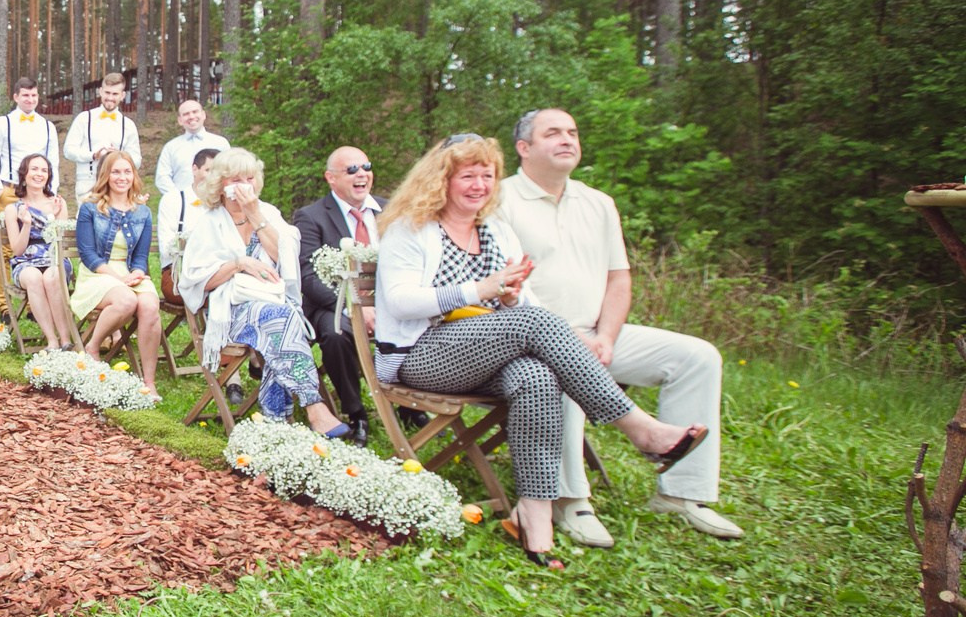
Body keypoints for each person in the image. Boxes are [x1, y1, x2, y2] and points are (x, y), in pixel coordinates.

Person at [373, 134, 708, 569]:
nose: (479, 185)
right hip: (423, 355)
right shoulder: (411, 228)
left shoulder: (496, 230)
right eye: (467, 176)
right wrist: (481, 289)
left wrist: (509, 297)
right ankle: (640, 429)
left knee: (536, 376)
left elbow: (525, 304)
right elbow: (401, 302)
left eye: (487, 176)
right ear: (441, 180)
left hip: (489, 349)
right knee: (534, 326)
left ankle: (534, 511)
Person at [494, 107, 739, 545]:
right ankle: (569, 500)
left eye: (572, 132)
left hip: (599, 332)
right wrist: (571, 339)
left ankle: (683, 493)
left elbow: (618, 279)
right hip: (528, 337)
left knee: (697, 356)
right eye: (553, 133)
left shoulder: (598, 203)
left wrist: (606, 336)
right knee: (559, 366)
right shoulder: (500, 200)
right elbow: (503, 284)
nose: (567, 139)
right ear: (524, 148)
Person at [180, 149, 349, 437]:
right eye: (236, 179)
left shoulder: (268, 214)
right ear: (221, 184)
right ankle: (313, 406)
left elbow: (284, 260)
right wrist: (239, 264)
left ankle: (276, 423)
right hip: (229, 310)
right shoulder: (209, 222)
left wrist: (255, 215)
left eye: (250, 178)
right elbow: (197, 281)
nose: (244, 185)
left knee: (279, 321)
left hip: (274, 305)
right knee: (282, 319)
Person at [293, 146, 387, 445]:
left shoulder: (390, 211)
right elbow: (308, 276)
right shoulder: (311, 216)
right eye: (352, 170)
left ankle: (410, 407)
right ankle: (356, 412)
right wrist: (354, 307)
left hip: (389, 302)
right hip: (331, 304)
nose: (362, 174)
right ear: (330, 178)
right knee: (336, 334)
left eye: (366, 167)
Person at [69, 149, 161, 394]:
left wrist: (137, 273)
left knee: (150, 307)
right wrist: (119, 278)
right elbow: (88, 255)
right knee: (126, 300)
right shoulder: (90, 208)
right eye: (116, 172)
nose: (122, 177)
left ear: (134, 175)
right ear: (105, 176)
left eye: (127, 172)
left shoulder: (143, 212)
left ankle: (149, 382)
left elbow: (140, 257)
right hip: (99, 273)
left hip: (129, 272)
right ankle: (92, 346)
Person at [2, 152, 78, 351]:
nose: (39, 174)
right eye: (34, 169)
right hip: (25, 261)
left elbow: (60, 243)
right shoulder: (13, 209)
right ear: (24, 174)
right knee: (34, 278)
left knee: (52, 277)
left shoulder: (58, 203)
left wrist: (53, 217)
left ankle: (65, 340)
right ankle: (51, 340)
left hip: (54, 257)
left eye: (44, 170)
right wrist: (26, 224)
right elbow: (17, 250)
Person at [64, 70, 141, 199]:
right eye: (107, 93)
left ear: (122, 95)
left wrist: (119, 156)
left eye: (115, 94)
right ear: (100, 91)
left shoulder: (128, 125)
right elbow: (68, 151)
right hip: (88, 184)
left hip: (117, 186)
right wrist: (93, 155)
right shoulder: (84, 119)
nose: (110, 97)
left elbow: (137, 160)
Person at [0, 75, 61, 197]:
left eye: (33, 95)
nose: (30, 99)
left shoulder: (48, 126)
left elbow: (53, 164)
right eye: (25, 95)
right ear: (16, 97)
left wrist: (52, 191)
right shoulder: (2, 123)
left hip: (39, 192)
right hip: (10, 190)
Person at [158, 146, 223, 274]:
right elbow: (166, 249)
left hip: (218, 270)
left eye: (218, 172)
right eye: (208, 170)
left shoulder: (225, 202)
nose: (213, 177)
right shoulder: (173, 200)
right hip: (179, 270)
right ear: (194, 169)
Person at [152, 99, 229, 197]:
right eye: (186, 114)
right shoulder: (171, 147)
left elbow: (229, 172)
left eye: (195, 112)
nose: (191, 116)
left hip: (214, 200)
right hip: (181, 202)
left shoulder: (220, 143)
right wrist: (179, 197)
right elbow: (162, 178)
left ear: (203, 115)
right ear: (180, 120)